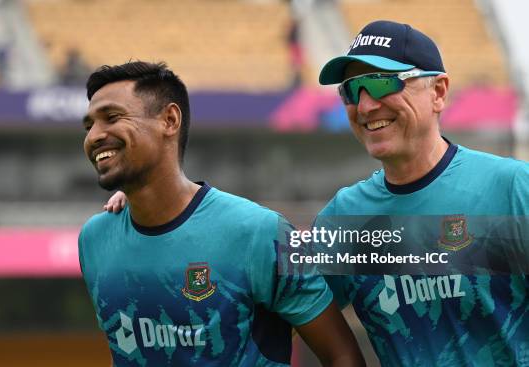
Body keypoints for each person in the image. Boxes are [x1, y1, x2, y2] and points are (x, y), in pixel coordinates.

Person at [79, 61, 364, 366]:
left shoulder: (261, 232)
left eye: (111, 118)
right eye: (89, 125)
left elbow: (342, 355)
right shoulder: (95, 239)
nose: (94, 135)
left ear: (169, 120)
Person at [317, 20, 529, 365]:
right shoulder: (342, 217)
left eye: (382, 83)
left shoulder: (513, 188)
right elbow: (279, 319)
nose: (367, 105)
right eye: (352, 90)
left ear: (439, 92)